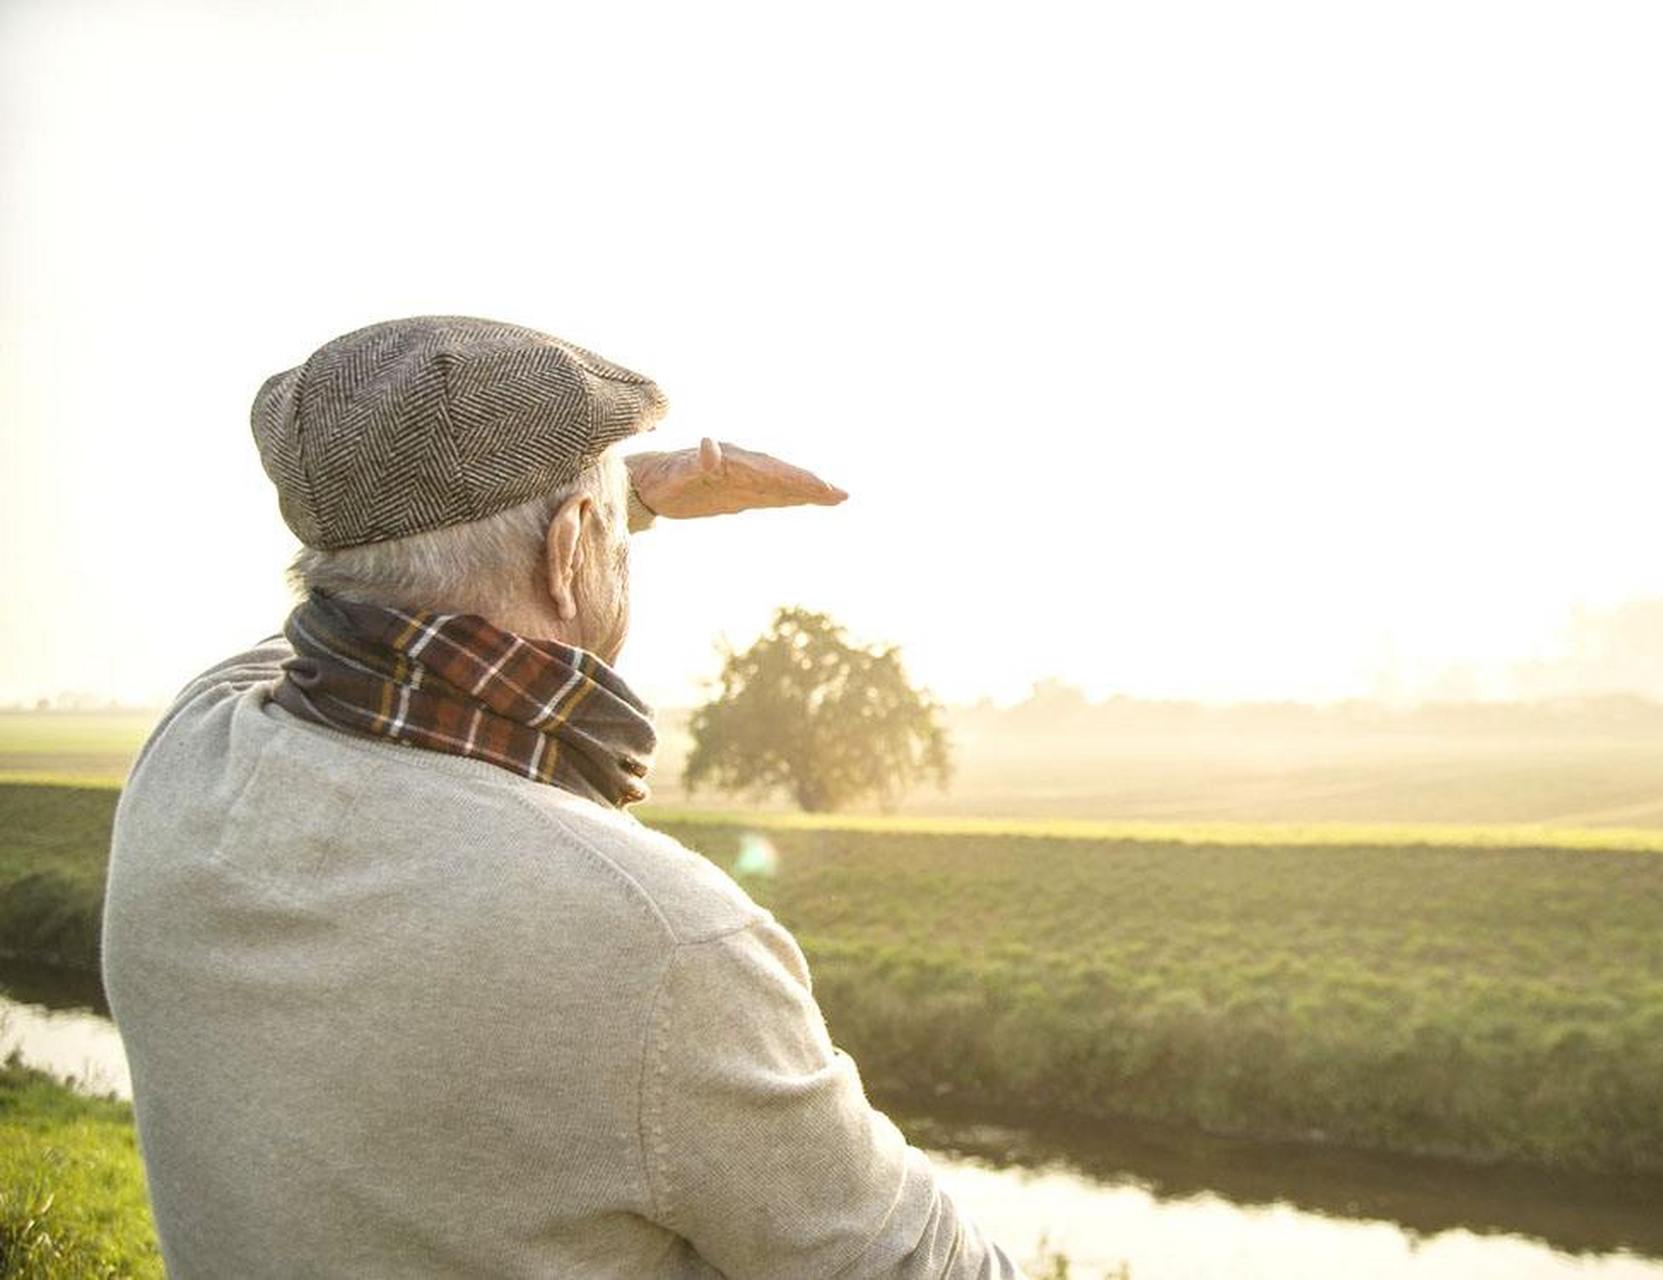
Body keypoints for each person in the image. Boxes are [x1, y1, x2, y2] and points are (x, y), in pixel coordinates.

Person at [100, 315, 1022, 1278]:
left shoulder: (188, 755)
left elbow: (347, 619)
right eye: (608, 518)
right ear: (573, 544)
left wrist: (614, 501)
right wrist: (627, 502)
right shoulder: (661, 940)